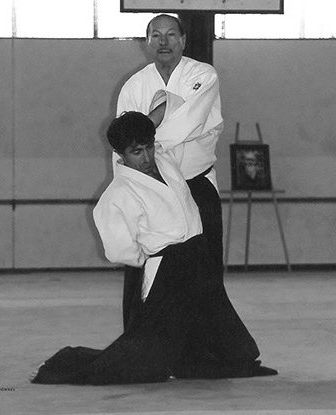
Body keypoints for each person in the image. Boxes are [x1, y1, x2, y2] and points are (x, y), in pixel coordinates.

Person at [29, 112, 276, 385]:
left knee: (214, 323)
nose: (146, 158)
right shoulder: (118, 194)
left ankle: (230, 361)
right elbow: (118, 250)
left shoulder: (166, 163)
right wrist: (150, 258)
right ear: (120, 154)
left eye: (148, 147)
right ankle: (65, 363)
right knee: (146, 361)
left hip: (198, 256)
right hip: (167, 271)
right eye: (136, 152)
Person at [115, 14, 225, 329]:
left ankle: (204, 347)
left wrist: (144, 128)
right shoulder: (134, 86)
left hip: (197, 186)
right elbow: (122, 145)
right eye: (156, 35)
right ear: (147, 42)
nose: (164, 42)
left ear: (183, 40)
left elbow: (189, 120)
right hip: (150, 190)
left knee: (204, 271)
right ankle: (142, 340)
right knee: (146, 270)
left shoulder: (203, 75)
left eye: (171, 34)